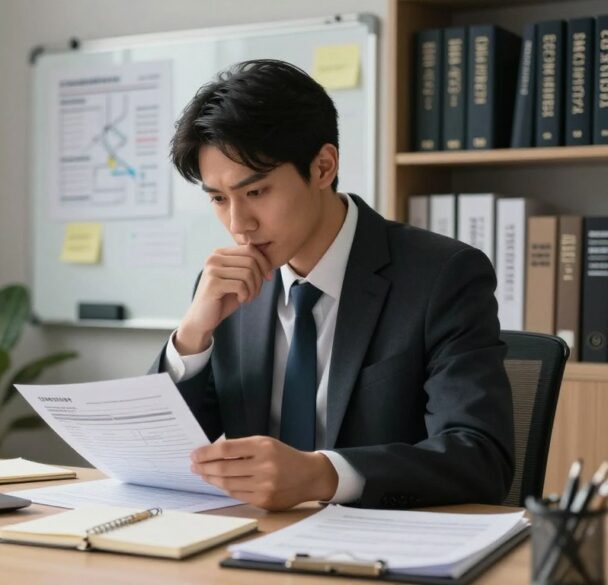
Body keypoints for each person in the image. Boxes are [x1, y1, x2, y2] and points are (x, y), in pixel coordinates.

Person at [152, 59, 513, 511]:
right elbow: (156, 458)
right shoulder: (224, 288)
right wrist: (190, 338)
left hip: (385, 548)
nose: (238, 224)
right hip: (254, 544)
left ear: (323, 167)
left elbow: (480, 457)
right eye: (219, 199)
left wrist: (324, 474)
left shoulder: (444, 275)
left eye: (257, 192)